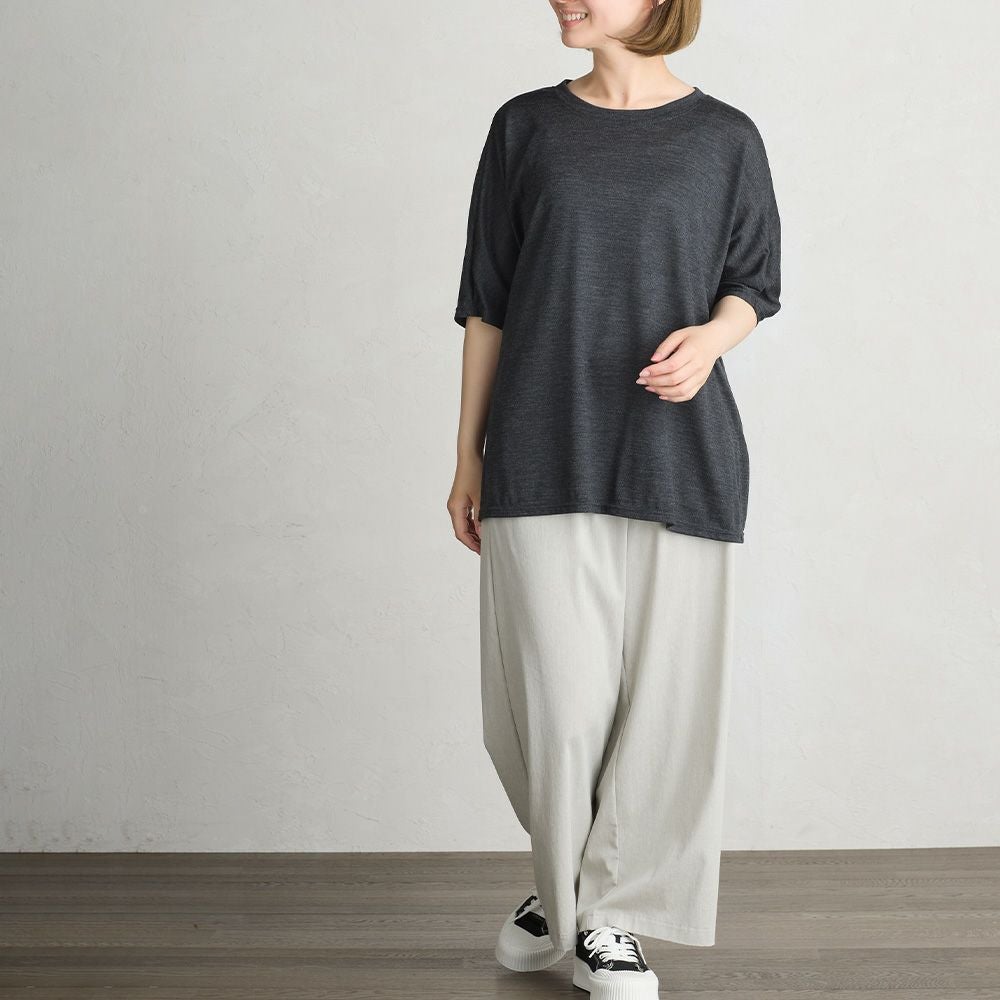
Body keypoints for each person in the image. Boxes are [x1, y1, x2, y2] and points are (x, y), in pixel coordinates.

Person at [447, 1, 782, 995]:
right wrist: (467, 455)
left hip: (681, 454)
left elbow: (753, 281)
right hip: (539, 445)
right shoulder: (525, 128)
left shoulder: (724, 137)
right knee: (553, 707)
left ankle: (605, 916)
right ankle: (571, 884)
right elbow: (486, 302)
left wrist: (711, 338)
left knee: (666, 704)